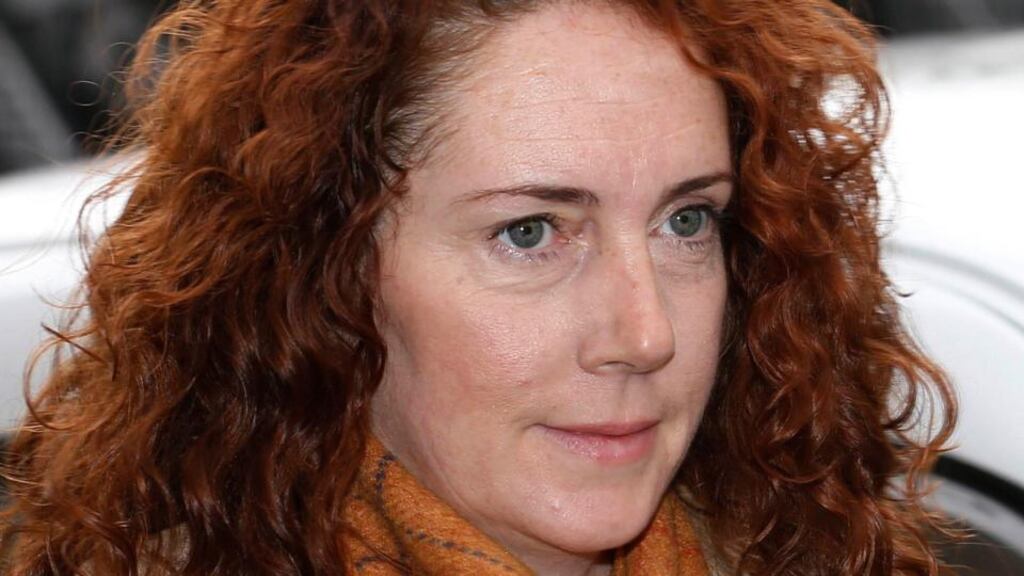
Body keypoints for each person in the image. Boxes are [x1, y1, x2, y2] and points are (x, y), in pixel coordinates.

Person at [0, 0, 957, 574]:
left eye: (686, 222)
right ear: (328, 274)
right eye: (529, 232)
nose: (646, 333)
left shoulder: (811, 549)